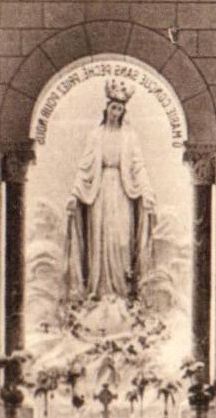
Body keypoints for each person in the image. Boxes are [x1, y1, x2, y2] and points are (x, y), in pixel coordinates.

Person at [64, 80, 156, 304]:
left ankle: (122, 291)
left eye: (120, 108)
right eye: (113, 107)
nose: (116, 112)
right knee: (100, 238)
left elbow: (138, 165)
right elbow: (84, 166)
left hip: (123, 191)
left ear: (124, 111)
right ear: (107, 108)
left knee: (121, 239)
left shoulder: (130, 136)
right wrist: (75, 194)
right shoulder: (95, 135)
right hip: (100, 190)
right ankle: (100, 290)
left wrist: (146, 191)